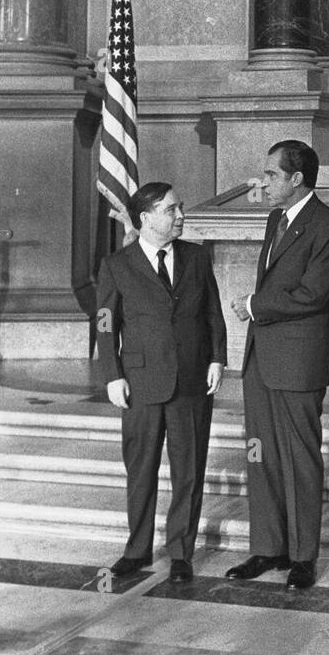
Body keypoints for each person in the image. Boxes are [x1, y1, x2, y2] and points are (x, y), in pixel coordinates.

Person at [226, 140, 329, 590]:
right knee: (261, 454)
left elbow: (315, 294)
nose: (265, 182)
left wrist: (256, 304)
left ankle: (302, 556)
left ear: (297, 179)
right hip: (262, 357)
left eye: (272, 174)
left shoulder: (328, 225)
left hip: (298, 361)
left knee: (298, 457)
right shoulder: (276, 218)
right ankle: (267, 547)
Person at [97, 182, 226, 584]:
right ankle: (136, 551)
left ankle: (181, 552)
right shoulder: (118, 265)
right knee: (141, 470)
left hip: (191, 380)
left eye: (180, 207)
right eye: (171, 210)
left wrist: (218, 359)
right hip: (139, 382)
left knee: (189, 470)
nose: (180, 216)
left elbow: (213, 313)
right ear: (145, 219)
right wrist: (112, 376)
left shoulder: (198, 257)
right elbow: (105, 324)